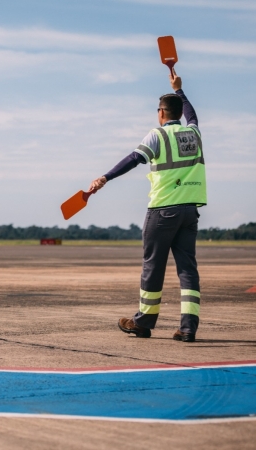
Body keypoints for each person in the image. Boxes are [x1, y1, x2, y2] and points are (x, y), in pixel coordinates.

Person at [88, 70, 206, 342]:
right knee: (188, 269)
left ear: (161, 113)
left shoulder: (157, 136)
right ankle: (188, 328)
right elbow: (194, 117)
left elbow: (134, 158)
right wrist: (180, 90)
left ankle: (143, 323)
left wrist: (105, 177)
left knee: (153, 266)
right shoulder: (194, 133)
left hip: (163, 210)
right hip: (190, 211)